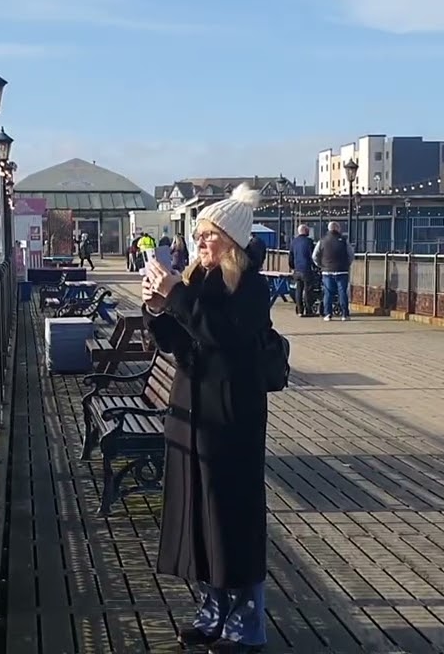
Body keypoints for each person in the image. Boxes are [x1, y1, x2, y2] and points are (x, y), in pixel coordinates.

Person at [140, 183, 272, 653]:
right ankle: (212, 613)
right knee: (198, 513)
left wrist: (176, 295)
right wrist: (157, 307)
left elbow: (220, 334)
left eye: (208, 235)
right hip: (190, 413)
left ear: (231, 240)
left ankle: (245, 626)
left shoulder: (252, 286)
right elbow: (182, 343)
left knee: (230, 516)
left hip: (230, 417)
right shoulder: (197, 281)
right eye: (197, 234)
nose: (200, 242)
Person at [312, 221, 352, 321]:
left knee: (328, 293)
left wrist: (321, 265)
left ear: (329, 229)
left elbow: (314, 256)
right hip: (342, 271)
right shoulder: (344, 240)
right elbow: (351, 255)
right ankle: (345, 314)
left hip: (327, 271)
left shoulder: (322, 241)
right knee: (342, 293)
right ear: (338, 229)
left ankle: (328, 314)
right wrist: (346, 265)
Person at [287, 224, 316, 317]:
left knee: (298, 289)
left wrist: (292, 267)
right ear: (305, 231)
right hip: (306, 269)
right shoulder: (309, 242)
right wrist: (315, 266)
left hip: (297, 269)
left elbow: (290, 256)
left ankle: (299, 309)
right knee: (308, 290)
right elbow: (313, 256)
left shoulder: (294, 242)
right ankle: (308, 310)